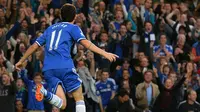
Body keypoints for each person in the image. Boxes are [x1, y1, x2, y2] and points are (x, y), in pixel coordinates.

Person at [15, 3, 118, 112]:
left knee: (62, 104)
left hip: (49, 69)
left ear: (61, 16)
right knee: (79, 97)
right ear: (74, 17)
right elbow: (86, 43)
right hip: (64, 66)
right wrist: (104, 53)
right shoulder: (73, 28)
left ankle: (43, 92)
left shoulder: (50, 29)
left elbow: (34, 46)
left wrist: (21, 60)